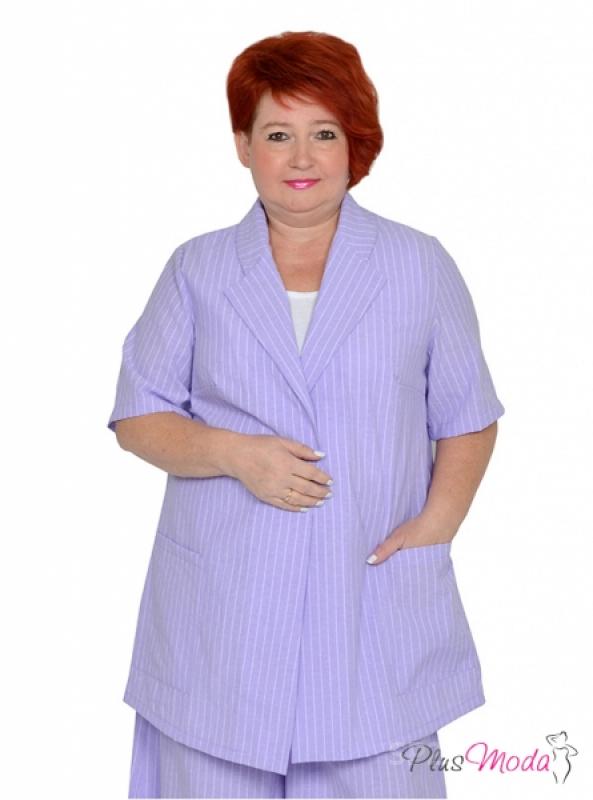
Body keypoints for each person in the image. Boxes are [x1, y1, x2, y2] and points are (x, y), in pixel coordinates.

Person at [107, 30, 505, 799]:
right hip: (223, 612)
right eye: (276, 134)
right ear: (242, 145)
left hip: (368, 602)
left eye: (323, 134)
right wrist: (234, 454)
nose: (300, 157)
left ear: (355, 144)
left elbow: (467, 415)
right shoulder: (197, 269)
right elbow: (137, 417)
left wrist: (436, 524)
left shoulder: (418, 264)